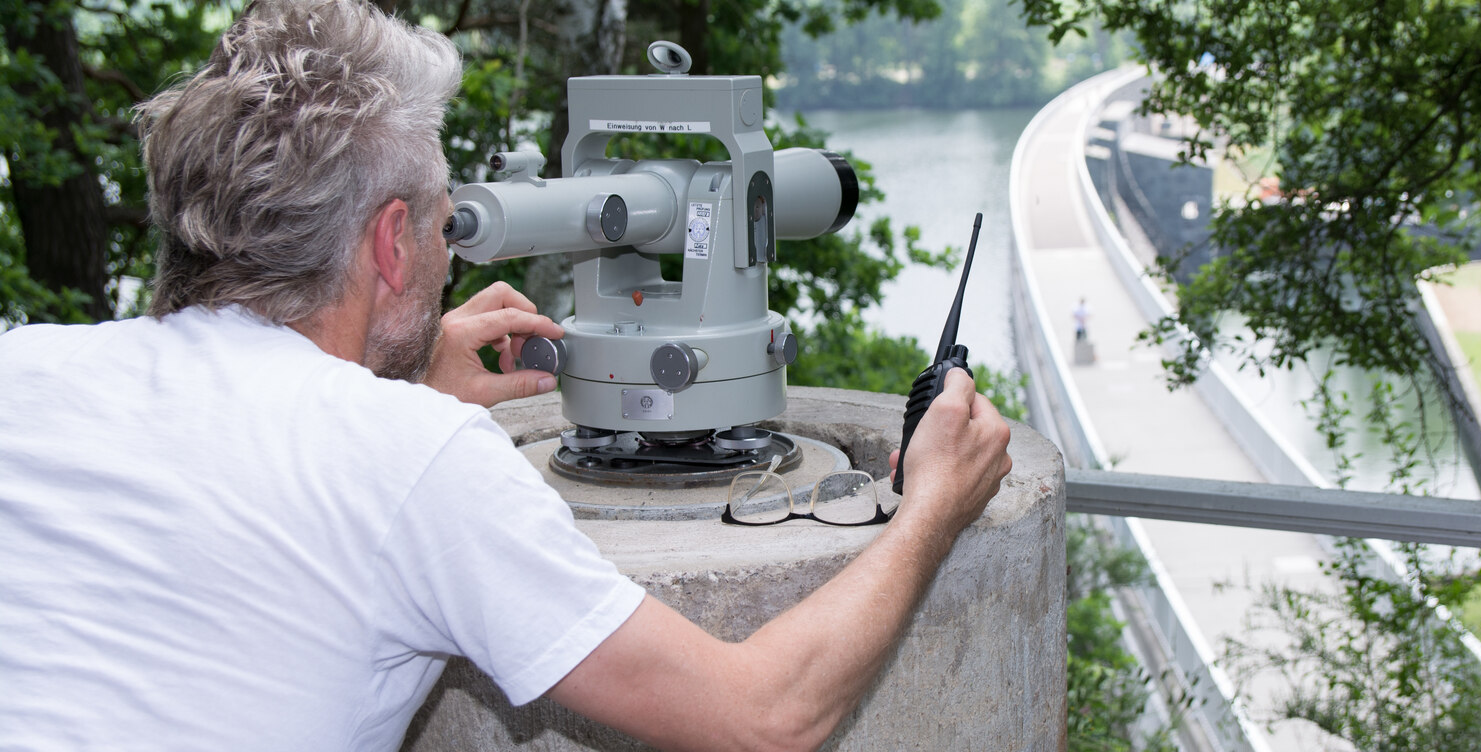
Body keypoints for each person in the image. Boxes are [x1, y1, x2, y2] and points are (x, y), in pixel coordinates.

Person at [0, 1, 1014, 750]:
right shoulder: (411, 460)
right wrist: (932, 501)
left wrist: (381, 384)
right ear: (393, 245)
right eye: (446, 226)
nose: (452, 257)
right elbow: (763, 715)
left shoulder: (24, 369)